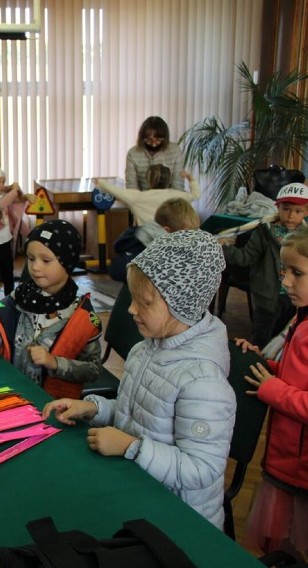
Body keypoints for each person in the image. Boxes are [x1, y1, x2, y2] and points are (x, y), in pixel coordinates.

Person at [43, 230, 236, 528]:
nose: (131, 309)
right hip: (139, 492)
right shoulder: (146, 348)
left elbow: (202, 469)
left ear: (181, 303)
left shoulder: (203, 382)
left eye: (144, 303)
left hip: (178, 520)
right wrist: (95, 409)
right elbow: (138, 412)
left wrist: (130, 447)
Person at [0, 220, 102, 397]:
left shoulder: (82, 316)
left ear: (67, 263)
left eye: (46, 260)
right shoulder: (19, 297)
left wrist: (55, 363)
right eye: (31, 258)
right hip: (11, 394)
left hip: (53, 407)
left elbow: (93, 370)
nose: (35, 267)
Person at [235, 226, 308, 560]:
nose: (285, 283)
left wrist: (273, 390)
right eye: (284, 272)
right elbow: (298, 375)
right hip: (285, 458)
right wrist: (262, 362)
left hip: (302, 467)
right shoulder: (300, 318)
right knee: (283, 548)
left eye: (297, 273)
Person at [223, 182, 308, 346]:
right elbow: (245, 257)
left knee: (284, 341)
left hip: (293, 300)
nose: (291, 216)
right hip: (267, 299)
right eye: (286, 209)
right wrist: (224, 248)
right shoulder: (264, 231)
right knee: (261, 341)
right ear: (278, 207)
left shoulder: (304, 236)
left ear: (306, 212)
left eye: (298, 211)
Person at [109, 196, 201, 284]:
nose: (188, 239)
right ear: (166, 231)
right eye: (186, 236)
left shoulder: (159, 237)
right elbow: (117, 270)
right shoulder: (147, 246)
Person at [0, 163, 35, 296]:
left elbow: (15, 200)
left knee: (8, 275)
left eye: (3, 181)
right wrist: (13, 190)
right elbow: (1, 205)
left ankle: (10, 303)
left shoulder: (1, 195)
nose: (1, 184)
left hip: (5, 241)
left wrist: (23, 195)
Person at [94, 168, 201, 226]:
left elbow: (117, 191)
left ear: (148, 180)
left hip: (144, 245)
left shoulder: (138, 197)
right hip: (170, 240)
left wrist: (100, 182)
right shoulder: (178, 195)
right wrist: (189, 177)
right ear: (169, 180)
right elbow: (196, 194)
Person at [124, 116, 184, 190]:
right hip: (142, 198)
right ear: (142, 138)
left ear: (165, 138)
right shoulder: (132, 154)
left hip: (169, 198)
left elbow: (178, 185)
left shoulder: (175, 151)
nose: (153, 143)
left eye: (158, 139)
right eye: (149, 139)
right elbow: (132, 187)